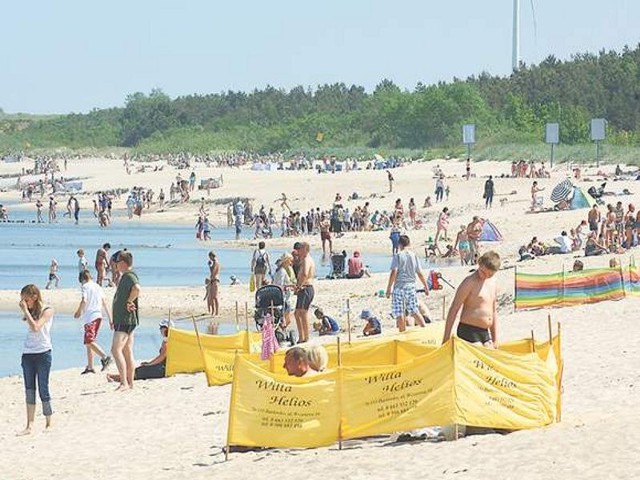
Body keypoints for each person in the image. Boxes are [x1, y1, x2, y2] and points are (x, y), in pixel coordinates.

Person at [442, 251, 501, 347]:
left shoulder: (492, 282)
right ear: (479, 264)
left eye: (489, 275)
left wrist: (495, 339)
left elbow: (493, 311)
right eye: (482, 272)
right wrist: (446, 338)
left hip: (484, 332)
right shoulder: (469, 282)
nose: (484, 276)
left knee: (490, 353)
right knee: (480, 354)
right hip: (468, 330)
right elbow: (454, 308)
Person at [18, 284, 54, 435]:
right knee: (29, 389)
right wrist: (27, 311)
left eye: (26, 299)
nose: (24, 303)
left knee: (43, 388)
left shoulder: (48, 310)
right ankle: (29, 425)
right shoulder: (31, 311)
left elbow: (36, 327)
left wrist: (26, 310)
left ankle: (48, 422)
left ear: (34, 297)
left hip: (43, 353)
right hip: (28, 353)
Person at [385, 235, 429, 332]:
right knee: (414, 310)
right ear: (409, 244)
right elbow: (419, 273)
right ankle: (424, 329)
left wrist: (388, 288)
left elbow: (394, 272)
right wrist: (426, 286)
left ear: (399, 244)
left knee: (399, 312)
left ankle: (402, 332)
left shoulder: (398, 255)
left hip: (399, 287)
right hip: (411, 286)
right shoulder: (414, 256)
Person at [110, 251, 140, 391]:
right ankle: (130, 383)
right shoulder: (125, 276)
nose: (114, 265)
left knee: (116, 350)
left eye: (116, 263)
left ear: (122, 262)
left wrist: (129, 301)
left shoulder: (129, 276)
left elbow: (136, 289)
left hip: (125, 320)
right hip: (124, 319)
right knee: (127, 351)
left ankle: (124, 383)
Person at [74, 270, 112, 374]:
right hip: (98, 316)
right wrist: (110, 319)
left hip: (90, 317)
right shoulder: (98, 287)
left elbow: (84, 300)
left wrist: (78, 312)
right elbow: (105, 303)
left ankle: (105, 357)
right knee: (90, 342)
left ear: (83, 279)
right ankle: (90, 367)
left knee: (88, 341)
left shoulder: (85, 287)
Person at [294, 242, 316, 343]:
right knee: (297, 313)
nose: (299, 252)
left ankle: (305, 336)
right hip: (304, 288)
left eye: (301, 249)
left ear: (305, 250)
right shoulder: (304, 259)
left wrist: (299, 286)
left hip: (306, 287)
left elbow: (305, 273)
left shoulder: (307, 259)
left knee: (302, 313)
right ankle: (301, 336)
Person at [273, 253, 295, 328]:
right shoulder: (282, 271)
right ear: (286, 261)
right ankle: (280, 331)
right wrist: (291, 286)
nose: (291, 263)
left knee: (285, 319)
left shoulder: (278, 270)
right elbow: (280, 286)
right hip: (284, 298)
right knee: (287, 320)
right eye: (290, 261)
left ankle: (279, 331)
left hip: (281, 297)